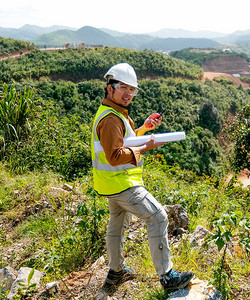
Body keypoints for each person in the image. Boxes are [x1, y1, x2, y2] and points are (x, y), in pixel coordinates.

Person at [90, 62, 194, 295]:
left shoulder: (115, 114)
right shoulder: (110, 119)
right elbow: (115, 155)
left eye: (132, 89)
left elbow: (122, 142)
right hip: (122, 182)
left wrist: (144, 129)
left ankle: (116, 271)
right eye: (123, 87)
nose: (128, 93)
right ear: (110, 88)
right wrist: (145, 148)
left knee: (116, 225)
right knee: (157, 217)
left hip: (111, 183)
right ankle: (168, 277)